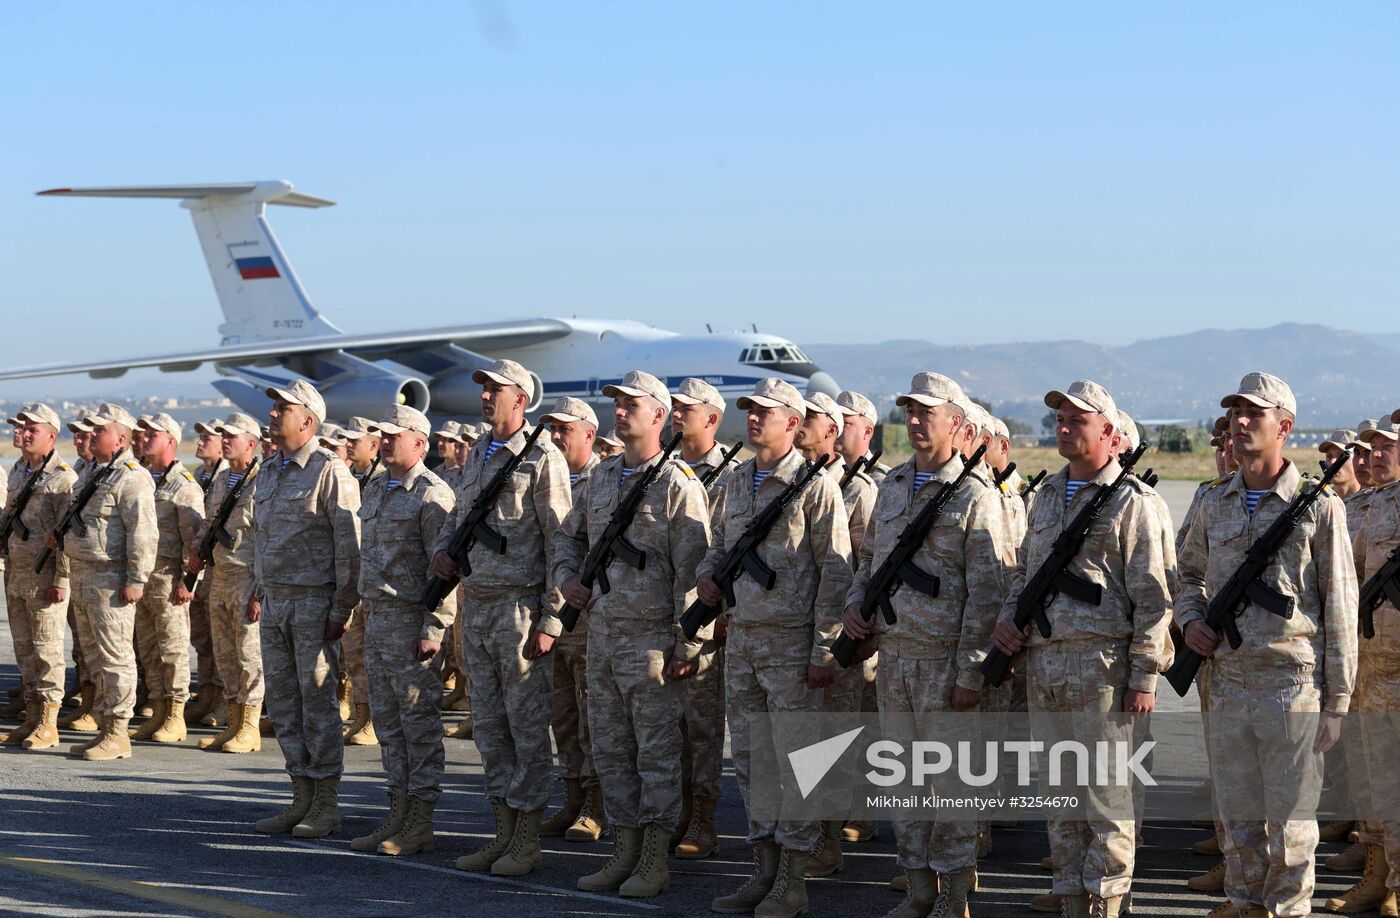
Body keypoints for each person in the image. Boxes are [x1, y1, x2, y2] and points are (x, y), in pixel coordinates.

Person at [1175, 372, 1356, 918]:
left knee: (1292, 827)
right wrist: (1190, 623)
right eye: (1236, 412)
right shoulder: (1213, 502)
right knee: (1238, 822)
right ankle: (1245, 904)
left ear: (1286, 427)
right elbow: (1187, 577)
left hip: (1293, 689)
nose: (1241, 421)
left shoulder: (1319, 507)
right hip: (1227, 683)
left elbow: (1341, 608)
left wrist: (1338, 701)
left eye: (1255, 412)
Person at [991, 380, 1174, 918]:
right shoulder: (1045, 495)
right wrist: (1008, 623)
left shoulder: (1136, 503)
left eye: (1078, 421)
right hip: (1045, 663)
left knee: (1107, 797)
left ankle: (1105, 901)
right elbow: (1024, 573)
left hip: (1105, 671)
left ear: (1111, 434)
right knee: (1059, 788)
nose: (1065, 428)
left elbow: (1155, 598)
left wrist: (1144, 677)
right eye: (1060, 420)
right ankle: (1069, 889)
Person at [842, 372, 1018, 918]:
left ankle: (954, 893)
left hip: (946, 662)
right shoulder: (893, 485)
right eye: (911, 413)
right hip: (896, 657)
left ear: (958, 424)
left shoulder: (974, 496)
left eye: (927, 413)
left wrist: (971, 672)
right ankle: (918, 884)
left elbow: (988, 593)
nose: (915, 422)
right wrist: (856, 607)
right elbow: (870, 560)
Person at [698, 377, 852, 918]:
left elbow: (836, 575)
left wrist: (823, 651)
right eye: (750, 410)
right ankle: (761, 871)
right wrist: (708, 578)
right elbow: (717, 547)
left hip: (792, 646)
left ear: (793, 422)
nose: (754, 418)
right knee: (751, 761)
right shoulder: (738, 481)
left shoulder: (814, 486)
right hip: (742, 641)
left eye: (765, 411)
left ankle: (793, 880)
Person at [555, 370, 711, 898]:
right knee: (612, 750)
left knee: (657, 753)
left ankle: (653, 857)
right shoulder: (600, 479)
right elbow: (566, 538)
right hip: (602, 638)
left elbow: (693, 575)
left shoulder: (677, 485)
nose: (619, 412)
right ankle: (622, 850)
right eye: (616, 405)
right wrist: (567, 581)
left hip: (652, 645)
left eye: (630, 405)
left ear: (659, 416)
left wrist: (687, 647)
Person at [431, 358, 571, 877]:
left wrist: (552, 620)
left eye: (496, 389)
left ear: (522, 399)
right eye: (484, 389)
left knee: (526, 728)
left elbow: (561, 542)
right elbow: (461, 517)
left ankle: (526, 840)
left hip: (520, 607)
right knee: (490, 728)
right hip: (478, 603)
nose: (486, 396)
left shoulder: (542, 458)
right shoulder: (479, 455)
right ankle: (502, 832)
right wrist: (444, 554)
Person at [250, 380, 362, 838]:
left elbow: (349, 546)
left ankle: (326, 803)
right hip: (276, 601)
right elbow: (263, 537)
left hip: (315, 603)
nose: (273, 414)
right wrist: (258, 588)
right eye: (274, 407)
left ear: (308, 421)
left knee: (317, 701)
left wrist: (341, 607)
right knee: (283, 702)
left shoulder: (329, 470)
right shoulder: (271, 469)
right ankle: (300, 796)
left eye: (283, 408)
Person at [349, 406, 456, 857]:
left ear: (420, 443)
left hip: (412, 623)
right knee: (389, 726)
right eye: (383, 434)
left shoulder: (433, 495)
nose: (386, 440)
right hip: (378, 620)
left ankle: (420, 820)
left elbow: (447, 569)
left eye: (396, 434)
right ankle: (396, 811)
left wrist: (434, 627)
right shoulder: (376, 486)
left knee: (419, 726)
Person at [54, 403, 157, 762]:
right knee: (94, 657)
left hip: (111, 579)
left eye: (100, 430)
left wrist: (136, 579)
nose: (92, 434)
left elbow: (143, 534)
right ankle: (103, 726)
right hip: (84, 573)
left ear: (121, 438)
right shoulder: (92, 471)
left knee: (115, 658)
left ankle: (118, 732)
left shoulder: (132, 476)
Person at [669, 376, 734, 858]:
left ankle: (703, 820)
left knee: (703, 725)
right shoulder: (662, 468)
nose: (676, 412)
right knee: (668, 727)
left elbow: (730, 549)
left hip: (708, 621)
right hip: (660, 613)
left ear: (711, 418)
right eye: (672, 405)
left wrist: (714, 620)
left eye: (685, 408)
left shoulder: (732, 473)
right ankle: (674, 813)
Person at [538, 396, 606, 842]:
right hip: (556, 617)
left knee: (591, 719)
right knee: (562, 717)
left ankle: (595, 807)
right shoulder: (547, 477)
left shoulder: (603, 481)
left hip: (591, 625)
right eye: (553, 430)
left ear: (589, 434)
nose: (557, 437)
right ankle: (571, 799)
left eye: (566, 429)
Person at [0, 404, 78, 750]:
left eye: (33, 428)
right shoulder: (18, 469)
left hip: (44, 578)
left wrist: (62, 579)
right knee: (25, 649)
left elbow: (68, 536)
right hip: (17, 573)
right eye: (22, 427)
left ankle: (48, 723)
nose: (25, 433)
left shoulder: (63, 477)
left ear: (51, 434)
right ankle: (31, 717)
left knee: (47, 651)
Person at [191, 413, 265, 755]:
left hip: (247, 578)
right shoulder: (223, 479)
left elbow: (268, 538)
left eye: (232, 436)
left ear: (251, 443)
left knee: (249, 655)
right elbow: (209, 522)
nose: (225, 440)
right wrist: (197, 553)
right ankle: (233, 723)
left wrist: (260, 591)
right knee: (226, 655)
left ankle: (249, 728)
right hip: (220, 576)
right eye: (223, 435)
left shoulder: (262, 480)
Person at [129, 414, 204, 744]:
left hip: (170, 580)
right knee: (149, 650)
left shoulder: (183, 485)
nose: (145, 439)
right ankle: (158, 710)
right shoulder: (144, 478)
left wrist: (188, 584)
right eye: (144, 434)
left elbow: (195, 543)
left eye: (153, 435)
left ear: (171, 442)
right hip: (144, 579)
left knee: (173, 651)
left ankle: (175, 715)